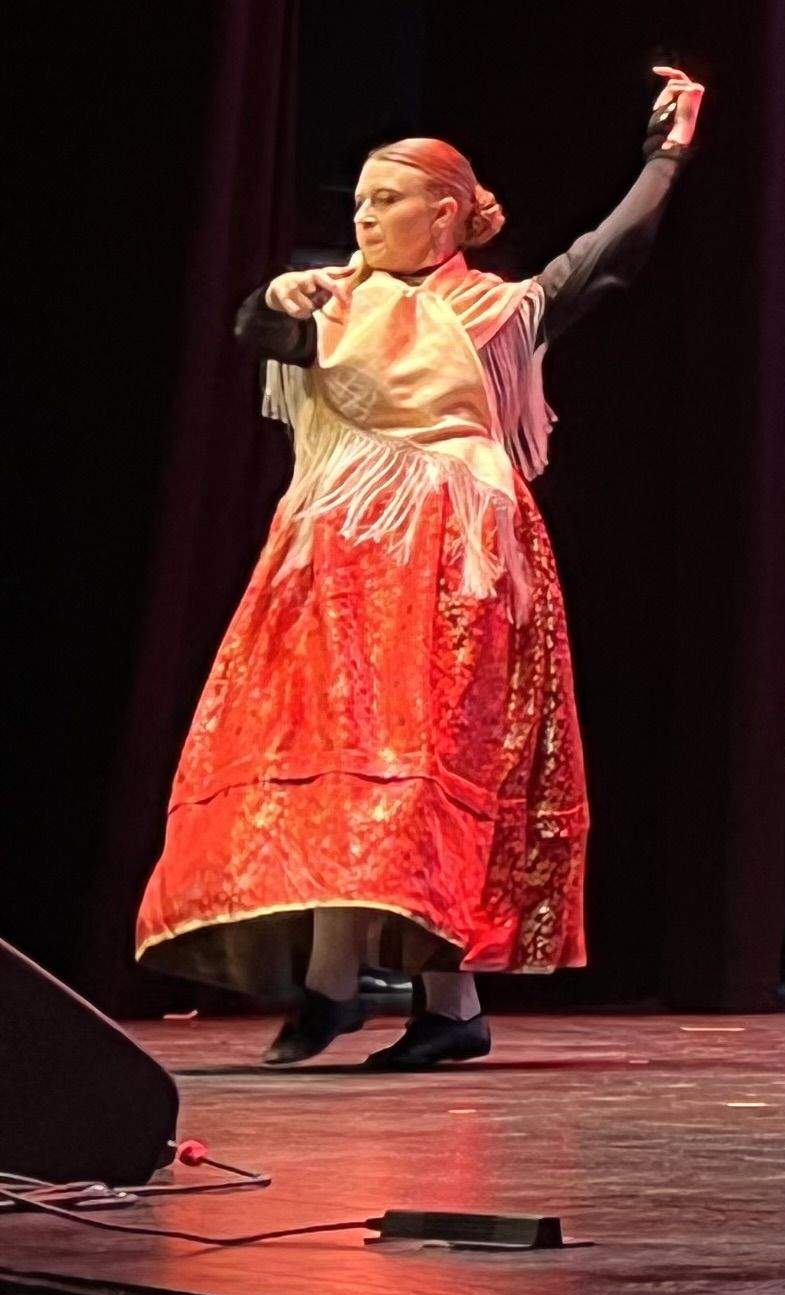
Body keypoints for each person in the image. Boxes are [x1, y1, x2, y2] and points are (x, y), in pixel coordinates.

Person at [137, 66, 709, 1068]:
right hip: (329, 548)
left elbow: (610, 255)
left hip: (451, 552)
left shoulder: (495, 312)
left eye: (386, 199)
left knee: (425, 756)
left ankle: (450, 1003)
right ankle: (329, 988)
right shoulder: (333, 304)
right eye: (358, 200)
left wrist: (666, 154)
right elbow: (255, 330)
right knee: (324, 753)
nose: (364, 216)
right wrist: (276, 292)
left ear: (444, 213)